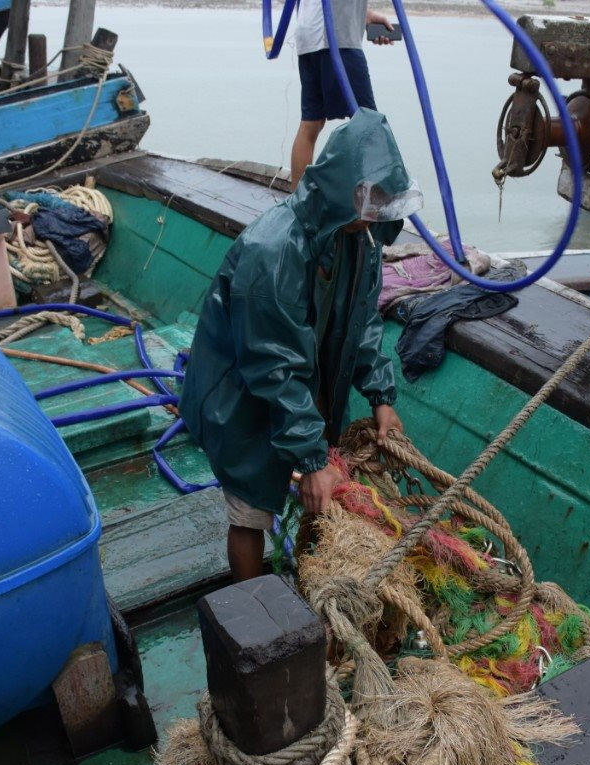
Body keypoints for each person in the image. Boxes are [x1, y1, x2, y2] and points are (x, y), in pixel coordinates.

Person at [180, 109, 423, 583]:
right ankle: (252, 606)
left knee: (323, 484)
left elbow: (363, 320)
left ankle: (312, 576)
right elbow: (273, 368)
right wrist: (311, 460)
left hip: (303, 377)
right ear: (341, 186)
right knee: (250, 509)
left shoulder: (359, 238)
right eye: (368, 198)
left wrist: (381, 395)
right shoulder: (272, 252)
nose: (374, 210)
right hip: (240, 390)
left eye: (382, 200)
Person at [290, 0, 395, 187]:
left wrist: (364, 15)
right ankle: (372, 207)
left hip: (310, 36)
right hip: (337, 38)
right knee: (369, 123)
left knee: (311, 123)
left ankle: (298, 202)